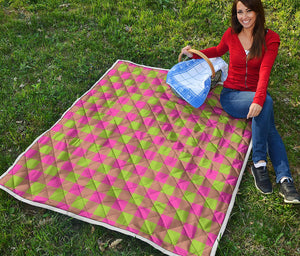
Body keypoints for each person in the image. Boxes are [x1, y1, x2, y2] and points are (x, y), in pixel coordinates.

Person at [181, 0, 300, 204]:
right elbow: (218, 50)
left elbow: (265, 71)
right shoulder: (231, 34)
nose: (244, 16)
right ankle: (265, 166)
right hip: (232, 96)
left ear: (258, 11)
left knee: (267, 115)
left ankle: (281, 176)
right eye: (240, 12)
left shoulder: (271, 39)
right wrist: (194, 55)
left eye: (249, 11)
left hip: (254, 93)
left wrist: (258, 99)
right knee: (267, 107)